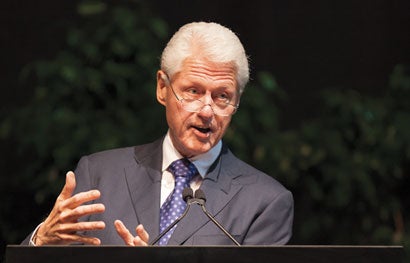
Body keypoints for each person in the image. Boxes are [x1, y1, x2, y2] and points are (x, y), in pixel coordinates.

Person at [22, 22, 293, 247]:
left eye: (222, 96)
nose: (207, 111)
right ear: (162, 88)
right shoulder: (99, 175)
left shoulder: (264, 202)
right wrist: (41, 241)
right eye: (193, 91)